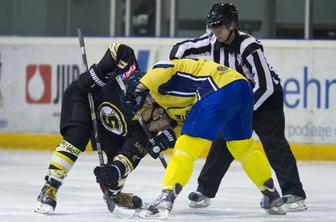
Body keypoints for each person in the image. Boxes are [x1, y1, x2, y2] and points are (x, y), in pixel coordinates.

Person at [169, 2, 307, 212]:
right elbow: (183, 48)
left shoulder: (249, 46)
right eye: (213, 27)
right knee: (223, 143)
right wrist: (175, 65)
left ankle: (294, 192)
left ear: (232, 24)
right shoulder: (212, 40)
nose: (217, 32)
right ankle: (205, 191)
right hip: (237, 100)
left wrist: (245, 110)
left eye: (220, 26)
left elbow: (266, 85)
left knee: (274, 142)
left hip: (266, 99)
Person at [124, 58, 287, 219]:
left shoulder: (156, 79)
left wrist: (139, 89)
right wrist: (166, 137)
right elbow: (185, 125)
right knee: (243, 147)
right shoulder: (171, 108)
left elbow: (164, 68)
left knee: (186, 145)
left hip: (217, 87)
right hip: (242, 89)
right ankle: (272, 195)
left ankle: (166, 197)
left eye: (142, 113)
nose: (148, 123)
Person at [34, 43, 177, 214]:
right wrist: (98, 72)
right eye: (160, 117)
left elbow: (128, 157)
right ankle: (50, 187)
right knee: (77, 137)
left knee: (116, 161)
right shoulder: (129, 75)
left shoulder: (144, 131)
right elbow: (120, 50)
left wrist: (113, 171)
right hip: (84, 98)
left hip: (109, 124)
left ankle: (114, 194)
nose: (159, 122)